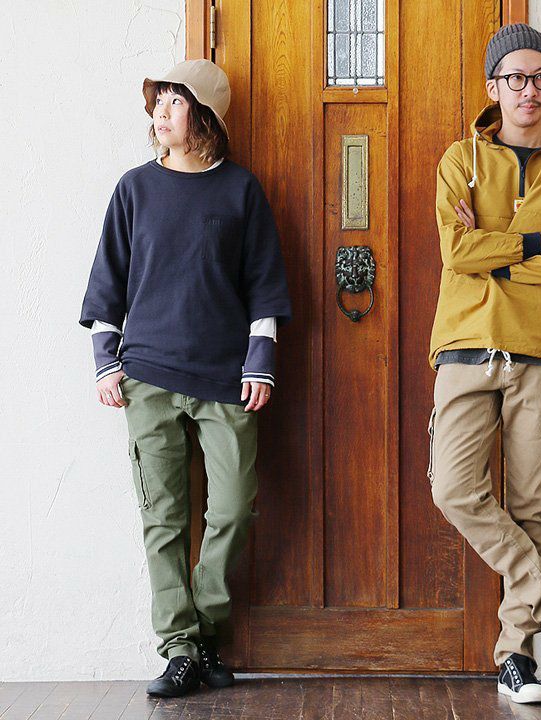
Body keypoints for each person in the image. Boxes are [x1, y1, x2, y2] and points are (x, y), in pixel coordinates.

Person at [79, 59, 291, 698]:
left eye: (176, 100)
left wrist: (260, 362)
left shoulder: (241, 191)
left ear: (205, 117)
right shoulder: (134, 189)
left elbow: (263, 283)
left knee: (234, 507)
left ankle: (203, 632)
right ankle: (181, 647)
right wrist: (105, 360)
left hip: (227, 379)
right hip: (146, 375)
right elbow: (108, 280)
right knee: (163, 518)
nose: (161, 111)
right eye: (159, 100)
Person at [427, 23, 541, 704]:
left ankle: (516, 660)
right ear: (493, 86)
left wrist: (493, 252)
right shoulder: (460, 161)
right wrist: (535, 243)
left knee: (533, 507)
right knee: (453, 488)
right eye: (516, 78)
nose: (529, 90)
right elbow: (456, 253)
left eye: (540, 77)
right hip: (467, 344)